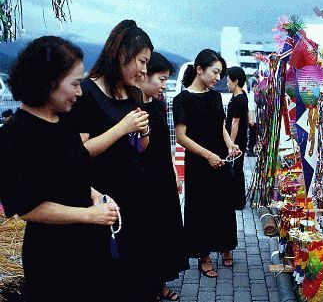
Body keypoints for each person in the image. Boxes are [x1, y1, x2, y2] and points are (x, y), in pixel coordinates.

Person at [0, 36, 118, 302]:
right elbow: (28, 208)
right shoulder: (13, 136)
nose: (80, 91)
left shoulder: (64, 121)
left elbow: (70, 173)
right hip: (53, 258)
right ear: (48, 82)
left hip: (90, 248)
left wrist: (95, 194)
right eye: (75, 83)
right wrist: (90, 216)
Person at [69, 20, 157, 301]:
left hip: (137, 196)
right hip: (104, 199)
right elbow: (80, 152)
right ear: (122, 55)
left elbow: (140, 148)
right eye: (142, 61)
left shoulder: (131, 93)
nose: (144, 70)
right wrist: (123, 127)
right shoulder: (86, 93)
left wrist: (143, 132)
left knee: (138, 275)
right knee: (109, 278)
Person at [173, 49, 239, 278]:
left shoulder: (215, 96)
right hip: (199, 163)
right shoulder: (181, 100)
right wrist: (207, 155)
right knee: (200, 209)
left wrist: (230, 144)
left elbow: (220, 126)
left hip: (220, 158)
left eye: (220, 74)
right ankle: (204, 256)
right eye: (214, 72)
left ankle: (225, 246)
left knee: (222, 204)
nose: (217, 78)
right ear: (199, 70)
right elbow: (181, 136)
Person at [137, 51, 188, 301]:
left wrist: (174, 172)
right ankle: (147, 286)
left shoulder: (158, 104)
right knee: (147, 234)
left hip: (162, 175)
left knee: (164, 232)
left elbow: (166, 142)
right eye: (161, 79)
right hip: (142, 179)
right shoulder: (131, 107)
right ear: (144, 75)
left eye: (167, 80)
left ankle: (159, 284)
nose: (163, 85)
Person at [225, 66, 249, 210]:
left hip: (237, 140)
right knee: (236, 169)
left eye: (228, 81)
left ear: (236, 81)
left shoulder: (240, 99)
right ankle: (235, 198)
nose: (227, 84)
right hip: (236, 139)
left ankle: (238, 201)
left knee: (237, 169)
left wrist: (231, 144)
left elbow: (236, 122)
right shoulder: (238, 96)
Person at [246, 76, 258, 156]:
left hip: (253, 119)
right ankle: (250, 150)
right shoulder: (251, 95)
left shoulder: (253, 95)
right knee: (252, 136)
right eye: (256, 86)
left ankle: (250, 149)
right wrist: (251, 120)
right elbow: (251, 109)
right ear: (254, 86)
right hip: (253, 119)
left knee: (253, 135)